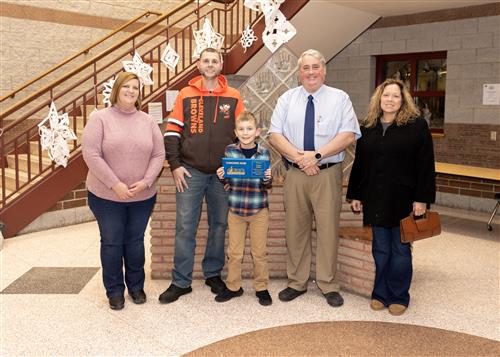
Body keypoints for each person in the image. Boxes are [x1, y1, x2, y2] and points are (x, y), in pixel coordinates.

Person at [268, 49, 361, 307]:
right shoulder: (287, 99)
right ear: (299, 72)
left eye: (315, 67)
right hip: (295, 174)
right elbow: (275, 135)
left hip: (327, 173)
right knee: (295, 230)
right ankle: (296, 282)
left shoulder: (340, 98)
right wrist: (300, 159)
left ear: (324, 69)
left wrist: (316, 156)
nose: (310, 72)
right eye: (305, 68)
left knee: (328, 229)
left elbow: (348, 135)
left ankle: (328, 283)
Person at [159, 47, 244, 304]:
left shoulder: (233, 95)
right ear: (198, 65)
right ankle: (181, 281)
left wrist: (234, 166)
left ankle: (212, 274)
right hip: (191, 172)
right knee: (185, 227)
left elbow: (244, 133)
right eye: (205, 60)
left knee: (219, 225)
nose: (210, 64)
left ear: (221, 65)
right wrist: (175, 166)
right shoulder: (185, 94)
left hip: (222, 173)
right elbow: (172, 132)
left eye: (214, 61)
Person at [346, 78, 436, 316]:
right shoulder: (369, 126)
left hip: (404, 199)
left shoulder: (416, 126)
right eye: (386, 95)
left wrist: (421, 199)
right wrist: (355, 193)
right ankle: (380, 293)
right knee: (381, 249)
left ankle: (399, 296)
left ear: (403, 99)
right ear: (379, 98)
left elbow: (426, 165)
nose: (390, 100)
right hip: (375, 197)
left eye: (396, 96)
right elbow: (361, 163)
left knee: (401, 249)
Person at [82, 71, 165, 310]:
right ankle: (115, 290)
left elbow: (159, 154)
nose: (131, 91)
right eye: (126, 86)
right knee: (111, 242)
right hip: (106, 196)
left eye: (135, 88)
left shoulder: (147, 121)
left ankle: (136, 287)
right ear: (117, 89)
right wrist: (115, 184)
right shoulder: (100, 118)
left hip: (142, 196)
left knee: (135, 242)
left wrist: (147, 181)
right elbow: (91, 154)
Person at [214, 111, 273, 306]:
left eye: (249, 129)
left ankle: (261, 287)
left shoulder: (264, 152)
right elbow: (228, 179)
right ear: (236, 132)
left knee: (259, 252)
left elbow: (266, 183)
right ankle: (233, 287)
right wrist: (222, 175)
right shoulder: (230, 151)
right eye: (241, 129)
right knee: (235, 252)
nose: (245, 132)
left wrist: (267, 177)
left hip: (258, 209)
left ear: (257, 132)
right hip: (236, 209)